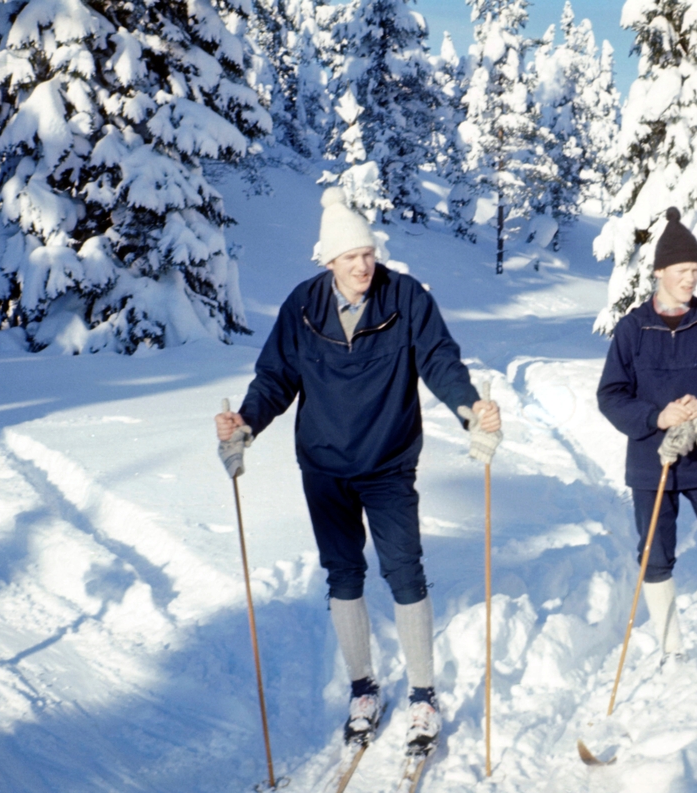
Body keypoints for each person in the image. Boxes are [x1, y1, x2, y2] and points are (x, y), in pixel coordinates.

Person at [214, 188, 502, 753]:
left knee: (405, 572)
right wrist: (245, 420)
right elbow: (275, 378)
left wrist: (470, 407)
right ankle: (363, 689)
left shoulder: (407, 298)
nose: (364, 265)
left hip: (389, 462)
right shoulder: (302, 307)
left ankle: (423, 695)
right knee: (343, 575)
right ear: (329, 262)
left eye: (368, 253)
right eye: (351, 258)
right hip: (323, 466)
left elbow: (440, 359)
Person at [596, 207, 697, 688]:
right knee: (655, 556)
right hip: (652, 462)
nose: (691, 279)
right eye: (682, 271)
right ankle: (673, 652)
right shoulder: (633, 330)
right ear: (659, 272)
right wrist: (656, 417)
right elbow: (611, 395)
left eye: (696, 271)